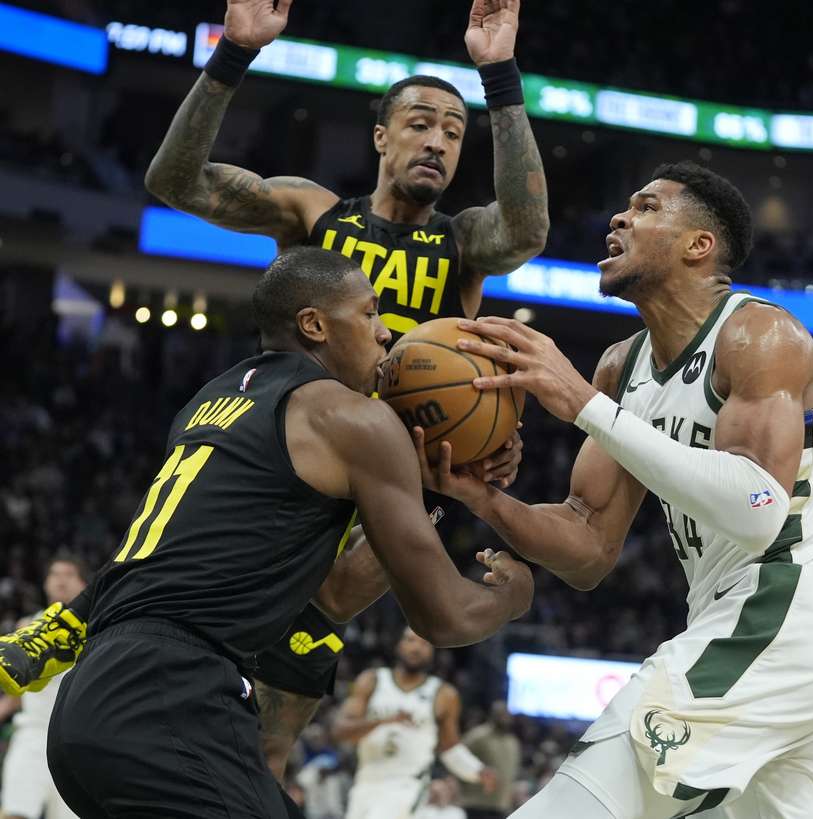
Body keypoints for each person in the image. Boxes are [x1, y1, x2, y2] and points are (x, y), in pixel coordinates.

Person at [1, 0, 548, 780]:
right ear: (381, 137)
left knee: (289, 696)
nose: (437, 141)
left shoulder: (463, 243)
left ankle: (248, 774)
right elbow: (174, 180)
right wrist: (233, 53)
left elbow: (526, 231)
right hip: (293, 431)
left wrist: (499, 76)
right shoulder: (314, 210)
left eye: (454, 133)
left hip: (393, 464)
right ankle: (74, 620)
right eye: (421, 123)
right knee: (195, 540)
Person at [418, 162, 813, 819]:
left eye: (647, 207)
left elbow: (760, 512)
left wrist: (582, 406)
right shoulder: (619, 366)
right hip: (750, 629)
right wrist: (485, 500)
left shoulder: (759, 334)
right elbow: (589, 546)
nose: (620, 218)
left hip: (784, 608)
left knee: (574, 803)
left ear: (698, 246)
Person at [42, 247, 533, 818]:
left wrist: (423, 490)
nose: (384, 334)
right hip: (170, 696)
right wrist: (515, 596)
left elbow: (334, 596)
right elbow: (445, 615)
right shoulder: (350, 418)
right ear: (314, 324)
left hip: (88, 702)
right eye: (370, 314)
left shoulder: (213, 399)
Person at [332, 627, 496, 819]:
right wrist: (383, 721)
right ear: (399, 645)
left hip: (408, 785)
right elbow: (340, 732)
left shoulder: (444, 694)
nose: (416, 648)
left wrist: (476, 770)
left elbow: (450, 748)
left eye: (424, 643)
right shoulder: (372, 681)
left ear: (433, 651)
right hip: (366, 781)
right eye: (410, 640)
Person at [0, 557, 88, 819]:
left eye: (69, 574)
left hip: (77, 740)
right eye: (54, 574)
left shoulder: (98, 631)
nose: (60, 579)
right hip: (33, 734)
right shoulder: (25, 626)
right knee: (14, 812)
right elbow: (17, 690)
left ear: (84, 584)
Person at [457, 701, 522, 819]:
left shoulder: (512, 742)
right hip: (476, 803)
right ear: (493, 715)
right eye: (501, 715)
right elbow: (457, 758)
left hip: (501, 804)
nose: (505, 718)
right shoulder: (478, 736)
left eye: (506, 715)